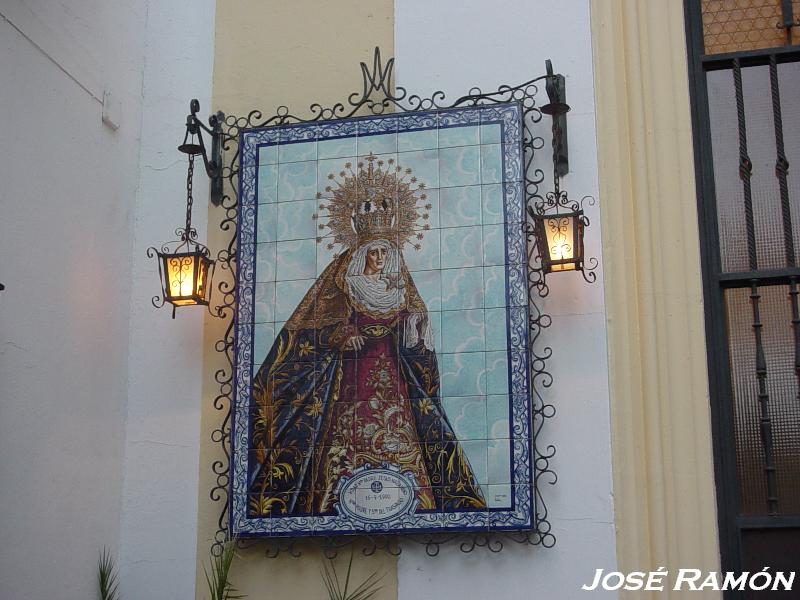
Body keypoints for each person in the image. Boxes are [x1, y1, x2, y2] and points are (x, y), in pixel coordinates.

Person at [247, 155, 485, 519]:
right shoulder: (342, 282)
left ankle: (411, 498)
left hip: (392, 375)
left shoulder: (399, 287)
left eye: (382, 252)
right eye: (371, 252)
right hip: (347, 379)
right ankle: (333, 499)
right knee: (343, 437)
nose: (376, 258)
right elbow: (312, 327)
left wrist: (415, 325)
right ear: (360, 253)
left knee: (407, 430)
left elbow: (414, 329)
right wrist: (342, 334)